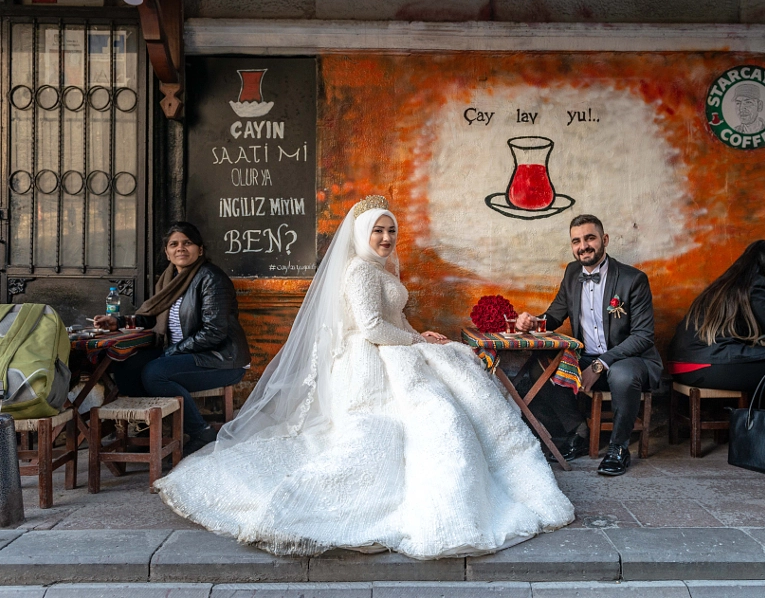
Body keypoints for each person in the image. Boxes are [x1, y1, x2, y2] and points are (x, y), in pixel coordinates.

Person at [153, 196, 574, 559]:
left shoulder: (381, 269)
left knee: (453, 390)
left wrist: (417, 334)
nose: (386, 239)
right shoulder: (358, 272)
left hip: (394, 347)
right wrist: (412, 345)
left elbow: (392, 318)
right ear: (361, 234)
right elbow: (372, 328)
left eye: (391, 231)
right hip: (371, 357)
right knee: (426, 416)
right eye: (378, 232)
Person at [516, 214, 663, 477]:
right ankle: (578, 433)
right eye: (576, 241)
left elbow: (643, 337)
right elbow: (554, 316)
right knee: (542, 365)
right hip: (588, 357)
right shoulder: (573, 273)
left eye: (590, 238)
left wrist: (600, 364)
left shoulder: (633, 280)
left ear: (604, 240)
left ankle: (618, 449)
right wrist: (532, 322)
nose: (583, 245)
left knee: (622, 374)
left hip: (629, 360)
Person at [93, 222, 250, 456]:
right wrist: (120, 322)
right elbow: (151, 317)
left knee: (155, 373)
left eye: (187, 243)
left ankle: (201, 431)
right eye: (174, 244)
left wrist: (170, 352)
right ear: (167, 252)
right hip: (183, 353)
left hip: (221, 359)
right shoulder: (169, 281)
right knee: (126, 367)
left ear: (200, 249)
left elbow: (214, 332)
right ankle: (153, 431)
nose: (181, 249)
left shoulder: (211, 278)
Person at [668, 240, 765, 394]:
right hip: (704, 363)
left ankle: (760, 415)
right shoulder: (757, 284)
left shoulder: (731, 282)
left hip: (684, 362)